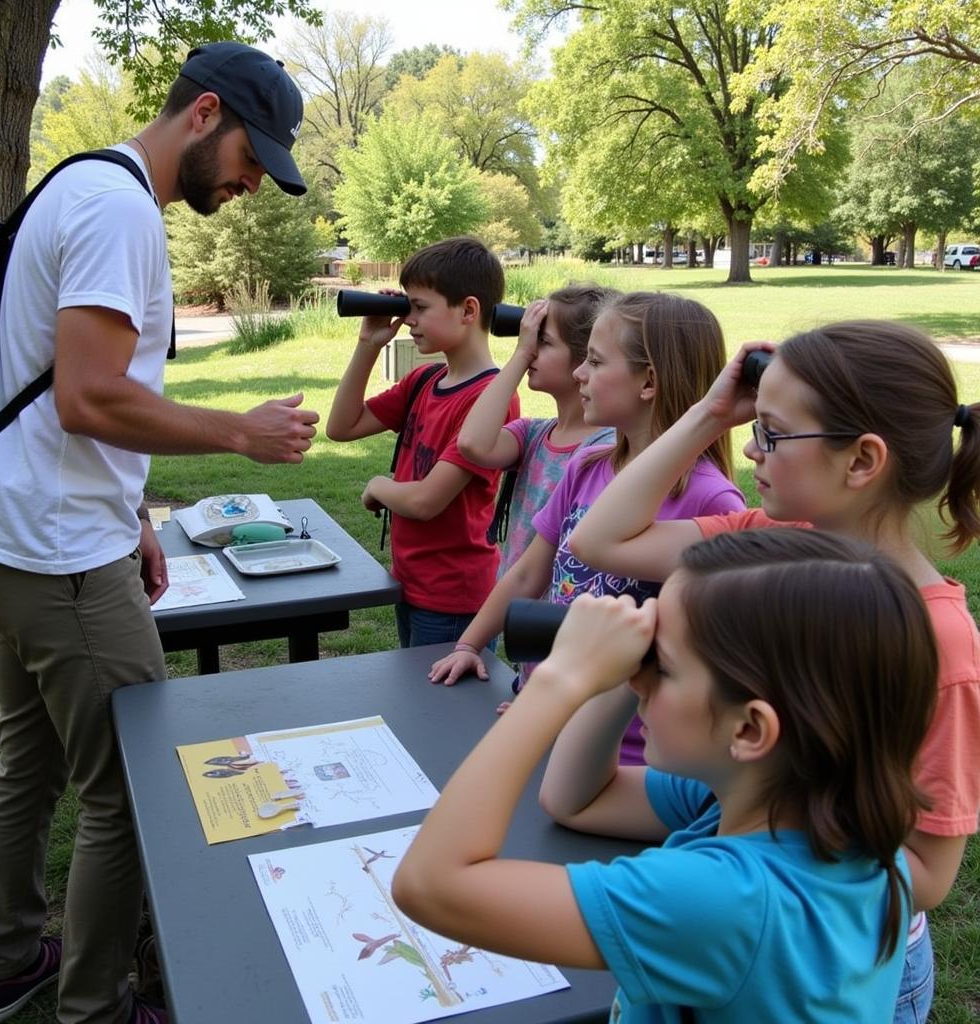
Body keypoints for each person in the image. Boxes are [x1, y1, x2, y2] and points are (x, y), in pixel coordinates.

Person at [0, 42, 318, 1024]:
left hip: (17, 539)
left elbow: (62, 392)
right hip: (63, 561)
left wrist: (139, 519)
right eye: (253, 154)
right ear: (204, 114)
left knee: (30, 762)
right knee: (133, 787)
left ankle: (4, 963)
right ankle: (95, 1003)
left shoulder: (80, 182)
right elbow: (86, 396)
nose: (251, 182)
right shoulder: (120, 210)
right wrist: (238, 430)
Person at [568, 321, 980, 1022]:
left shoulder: (939, 637)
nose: (752, 449)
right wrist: (708, 414)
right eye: (754, 427)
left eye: (773, 435)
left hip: (834, 962)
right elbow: (599, 538)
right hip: (738, 908)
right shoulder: (770, 542)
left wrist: (761, 892)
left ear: (860, 461)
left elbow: (932, 872)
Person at [394, 529, 938, 1022]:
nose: (642, 675)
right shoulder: (811, 814)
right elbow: (575, 799)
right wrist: (621, 673)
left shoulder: (730, 903)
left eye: (664, 665)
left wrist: (558, 682)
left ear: (750, 730)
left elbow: (430, 885)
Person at [429, 292, 744, 765]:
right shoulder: (588, 465)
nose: (579, 373)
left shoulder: (712, 502)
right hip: (545, 712)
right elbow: (526, 575)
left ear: (649, 382)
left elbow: (709, 655)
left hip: (625, 753)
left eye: (595, 361)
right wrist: (470, 644)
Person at [325, 236, 517, 648]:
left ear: (468, 310)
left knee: (442, 710)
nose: (408, 320)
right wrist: (367, 345)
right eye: (406, 306)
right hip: (411, 581)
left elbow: (427, 502)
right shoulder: (424, 381)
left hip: (454, 597)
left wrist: (379, 485)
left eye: (420, 307)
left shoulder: (490, 400)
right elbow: (341, 427)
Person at [456, 284, 617, 576]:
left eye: (543, 342)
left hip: (556, 615)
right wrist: (521, 354)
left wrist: (522, 353)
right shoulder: (534, 435)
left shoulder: (608, 448)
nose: (530, 351)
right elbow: (471, 444)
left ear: (586, 357)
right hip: (512, 607)